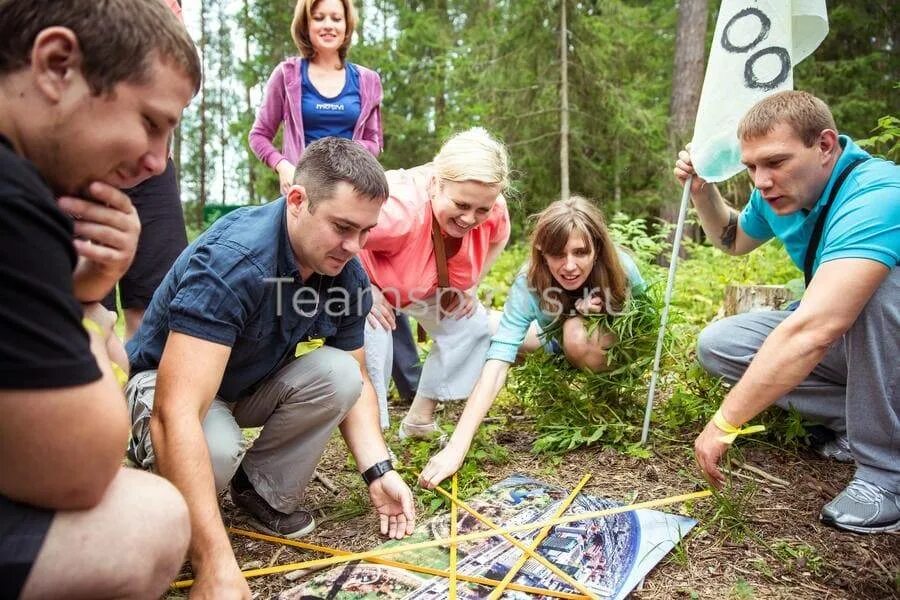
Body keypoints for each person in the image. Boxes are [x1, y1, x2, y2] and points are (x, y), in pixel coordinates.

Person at [125, 137, 416, 598]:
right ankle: (149, 477)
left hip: (245, 384)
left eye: (365, 231)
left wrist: (380, 472)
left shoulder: (344, 271)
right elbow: (175, 410)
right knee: (215, 448)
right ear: (297, 200)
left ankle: (259, 490)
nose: (354, 247)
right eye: (342, 227)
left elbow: (357, 378)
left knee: (338, 373)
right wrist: (213, 564)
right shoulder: (234, 262)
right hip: (166, 386)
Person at [0, 0, 201, 597]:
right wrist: (87, 313)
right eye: (150, 121)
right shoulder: (15, 197)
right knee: (149, 520)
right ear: (57, 64)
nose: (156, 161)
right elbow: (81, 470)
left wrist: (83, 289)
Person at [674, 91, 900, 534]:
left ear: (824, 145)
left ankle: (887, 476)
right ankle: (862, 421)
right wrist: (703, 191)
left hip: (883, 333)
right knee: (720, 346)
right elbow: (734, 239)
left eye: (775, 162)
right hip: (863, 346)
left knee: (878, 287)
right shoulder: (778, 193)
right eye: (752, 166)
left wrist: (725, 421)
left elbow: (817, 328)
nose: (760, 180)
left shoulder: (878, 192)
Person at [418, 196, 646, 488]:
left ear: (597, 248)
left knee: (577, 335)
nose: (570, 266)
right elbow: (499, 360)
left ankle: (604, 399)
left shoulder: (622, 269)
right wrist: (456, 447)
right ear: (542, 250)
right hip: (550, 341)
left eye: (580, 252)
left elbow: (648, 324)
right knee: (493, 330)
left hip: (604, 350)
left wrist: (603, 319)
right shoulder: (529, 281)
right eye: (557, 254)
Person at [359, 127, 511, 433]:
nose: (471, 218)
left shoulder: (493, 208)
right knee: (375, 333)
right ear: (436, 184)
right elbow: (340, 234)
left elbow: (499, 238)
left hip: (432, 284)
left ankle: (419, 419)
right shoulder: (397, 212)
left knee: (472, 325)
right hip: (376, 282)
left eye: (482, 208)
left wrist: (470, 285)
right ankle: (374, 438)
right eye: (461, 205)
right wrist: (362, 288)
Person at [101, 0, 190, 340]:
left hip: (154, 174)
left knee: (157, 306)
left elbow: (180, 75)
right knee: (96, 311)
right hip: (92, 163)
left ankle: (141, 392)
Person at [249, 0, 383, 197]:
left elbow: (374, 141)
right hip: (303, 195)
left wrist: (346, 153)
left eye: (336, 18)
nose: (328, 24)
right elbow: (258, 136)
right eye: (319, 18)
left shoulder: (368, 81)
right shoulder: (287, 75)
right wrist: (282, 165)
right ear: (306, 25)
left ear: (346, 26)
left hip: (352, 194)